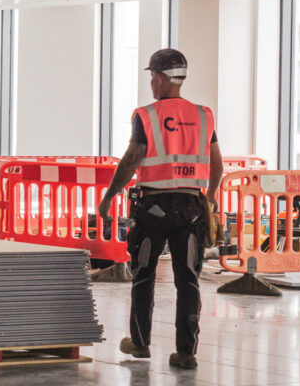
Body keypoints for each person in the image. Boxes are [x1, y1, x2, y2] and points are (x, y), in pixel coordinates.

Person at [97, 49, 224, 370]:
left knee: (144, 275)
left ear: (160, 78)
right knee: (189, 280)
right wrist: (208, 198)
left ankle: (140, 343)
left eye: (152, 76)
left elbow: (132, 159)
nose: (152, 82)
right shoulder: (204, 114)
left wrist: (110, 196)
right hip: (192, 207)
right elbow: (216, 162)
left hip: (153, 207)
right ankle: (186, 352)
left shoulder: (145, 115)